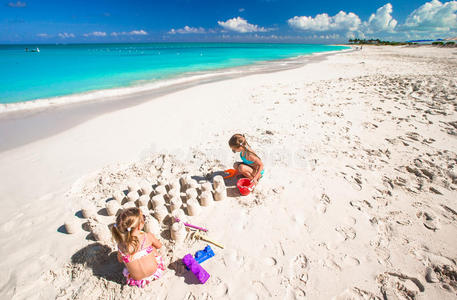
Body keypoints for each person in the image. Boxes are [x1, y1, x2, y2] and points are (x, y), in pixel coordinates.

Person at [111, 207, 165, 287]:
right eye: (143, 218)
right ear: (140, 226)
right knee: (152, 248)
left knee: (125, 256)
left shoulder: (121, 245)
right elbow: (159, 246)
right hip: (154, 271)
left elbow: (120, 260)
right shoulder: (147, 236)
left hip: (136, 278)